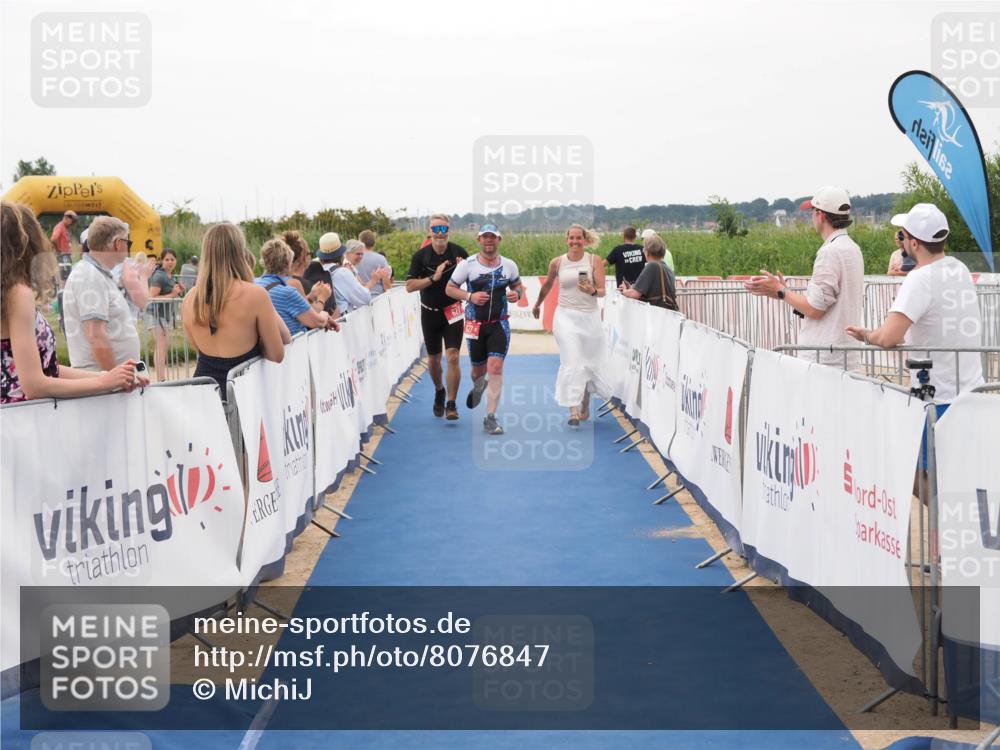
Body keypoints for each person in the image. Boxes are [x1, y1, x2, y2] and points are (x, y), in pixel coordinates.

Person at [1, 202, 145, 403]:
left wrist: (112, 377)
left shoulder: (10, 292)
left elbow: (47, 368)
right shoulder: (18, 294)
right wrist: (105, 381)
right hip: (25, 415)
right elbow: (33, 384)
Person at [846, 203, 983, 407]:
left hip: (940, 398)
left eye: (903, 236)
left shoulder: (920, 278)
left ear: (915, 243)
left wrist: (866, 335)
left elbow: (888, 337)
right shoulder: (960, 268)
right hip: (973, 393)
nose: (901, 241)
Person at [745, 186, 864, 369]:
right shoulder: (852, 248)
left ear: (821, 215)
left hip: (824, 358)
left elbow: (815, 309)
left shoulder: (830, 252)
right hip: (845, 355)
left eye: (812, 211)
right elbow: (824, 303)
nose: (811, 217)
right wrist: (783, 292)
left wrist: (781, 291)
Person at [182, 223, 287, 396]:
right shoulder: (255, 294)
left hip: (203, 393)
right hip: (243, 393)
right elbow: (277, 354)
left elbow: (197, 347)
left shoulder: (190, 299)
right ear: (239, 251)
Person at [446, 223, 524, 435]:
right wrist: (470, 296)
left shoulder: (509, 265)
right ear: (479, 240)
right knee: (477, 372)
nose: (489, 240)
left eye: (493, 237)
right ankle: (479, 386)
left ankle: (490, 417)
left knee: (495, 368)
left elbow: (518, 286)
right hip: (475, 325)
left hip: (499, 324)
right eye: (485, 237)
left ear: (499, 240)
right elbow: (449, 289)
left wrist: (516, 294)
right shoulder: (468, 265)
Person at [533, 224, 609, 425]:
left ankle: (584, 403)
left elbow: (603, 291)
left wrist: (592, 291)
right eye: (571, 238)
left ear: (585, 240)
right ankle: (572, 410)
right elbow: (547, 285)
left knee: (588, 363)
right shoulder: (557, 262)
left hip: (590, 318)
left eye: (578, 238)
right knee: (572, 361)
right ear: (566, 240)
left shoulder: (594, 260)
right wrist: (538, 304)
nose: (575, 241)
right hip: (565, 317)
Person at [405, 213, 469, 420]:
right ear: (429, 232)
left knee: (453, 356)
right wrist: (434, 278)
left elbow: (473, 280)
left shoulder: (459, 252)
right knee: (433, 359)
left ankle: (451, 403)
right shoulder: (421, 256)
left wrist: (464, 270)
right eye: (436, 229)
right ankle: (439, 390)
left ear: (449, 231)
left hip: (453, 311)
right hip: (429, 312)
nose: (440, 233)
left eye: (444, 229)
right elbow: (409, 286)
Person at [62, 216, 142, 371]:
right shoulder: (89, 275)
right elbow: (96, 336)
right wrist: (115, 377)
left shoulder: (96, 274)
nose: (128, 247)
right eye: (128, 242)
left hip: (108, 378)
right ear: (118, 243)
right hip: (103, 380)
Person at [256, 238, 336, 334]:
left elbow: (293, 306)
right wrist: (322, 300)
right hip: (294, 341)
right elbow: (318, 321)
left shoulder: (255, 284)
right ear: (288, 263)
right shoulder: (288, 292)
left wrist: (310, 297)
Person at [146, 249, 185, 382]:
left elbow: (173, 294)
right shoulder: (159, 276)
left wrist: (179, 291)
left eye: (172, 259)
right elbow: (152, 297)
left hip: (165, 316)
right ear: (162, 261)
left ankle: (162, 378)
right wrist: (173, 294)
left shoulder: (171, 276)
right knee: (161, 345)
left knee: (163, 346)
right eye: (167, 259)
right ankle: (161, 379)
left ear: (176, 261)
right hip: (155, 314)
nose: (169, 262)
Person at [282, 230, 335, 318]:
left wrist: (310, 297)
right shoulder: (297, 283)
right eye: (310, 253)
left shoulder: (280, 280)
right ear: (303, 257)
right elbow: (312, 316)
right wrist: (322, 298)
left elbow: (299, 308)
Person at [621, 235, 678, 309]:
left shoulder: (652, 266)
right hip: (668, 311)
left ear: (647, 252)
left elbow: (634, 294)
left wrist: (624, 291)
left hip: (656, 311)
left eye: (644, 248)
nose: (643, 251)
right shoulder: (667, 268)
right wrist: (632, 287)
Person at [330, 241, 378, 314]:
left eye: (362, 254)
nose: (361, 257)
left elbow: (361, 286)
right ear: (348, 253)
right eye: (358, 254)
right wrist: (373, 280)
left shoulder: (350, 267)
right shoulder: (346, 268)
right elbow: (362, 295)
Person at [302, 232, 341, 316]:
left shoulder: (312, 268)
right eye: (309, 254)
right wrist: (322, 299)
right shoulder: (342, 271)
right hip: (327, 316)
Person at [355, 229, 392, 296]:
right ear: (374, 242)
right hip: (378, 297)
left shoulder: (354, 259)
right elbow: (386, 284)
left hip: (359, 296)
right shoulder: (381, 259)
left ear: (360, 242)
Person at [51, 210, 77, 284]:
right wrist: (58, 250)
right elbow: (53, 239)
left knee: (66, 277)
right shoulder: (60, 227)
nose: (72, 223)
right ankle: (62, 290)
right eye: (72, 221)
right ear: (67, 218)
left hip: (65, 257)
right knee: (64, 278)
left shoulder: (65, 228)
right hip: (62, 257)